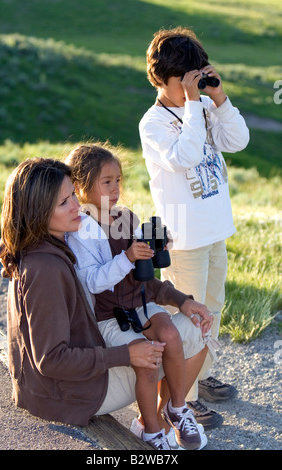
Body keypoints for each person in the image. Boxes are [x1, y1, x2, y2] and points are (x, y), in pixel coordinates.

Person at [0, 157, 171, 447]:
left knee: (163, 341)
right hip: (61, 395)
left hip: (46, 386)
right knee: (171, 348)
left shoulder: (41, 244)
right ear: (38, 211)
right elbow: (51, 359)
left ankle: (157, 421)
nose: (78, 206)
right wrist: (126, 355)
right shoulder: (46, 270)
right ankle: (153, 427)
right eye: (64, 202)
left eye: (73, 195)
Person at [64, 143, 214, 450]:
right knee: (148, 357)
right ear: (80, 186)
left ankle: (176, 407)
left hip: (141, 304)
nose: (116, 188)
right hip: (109, 317)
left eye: (118, 180)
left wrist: (154, 250)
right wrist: (128, 258)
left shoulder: (126, 218)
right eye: (107, 181)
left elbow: (144, 281)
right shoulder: (80, 231)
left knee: (171, 334)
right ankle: (150, 430)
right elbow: (92, 282)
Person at [138, 27, 250, 428]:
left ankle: (199, 379)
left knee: (213, 311)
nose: (192, 88)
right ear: (161, 79)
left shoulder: (202, 107)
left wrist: (217, 99)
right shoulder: (153, 123)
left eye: (196, 79)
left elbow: (237, 139)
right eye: (183, 81)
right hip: (185, 238)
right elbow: (185, 156)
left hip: (215, 228)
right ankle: (180, 398)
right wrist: (192, 104)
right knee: (188, 322)